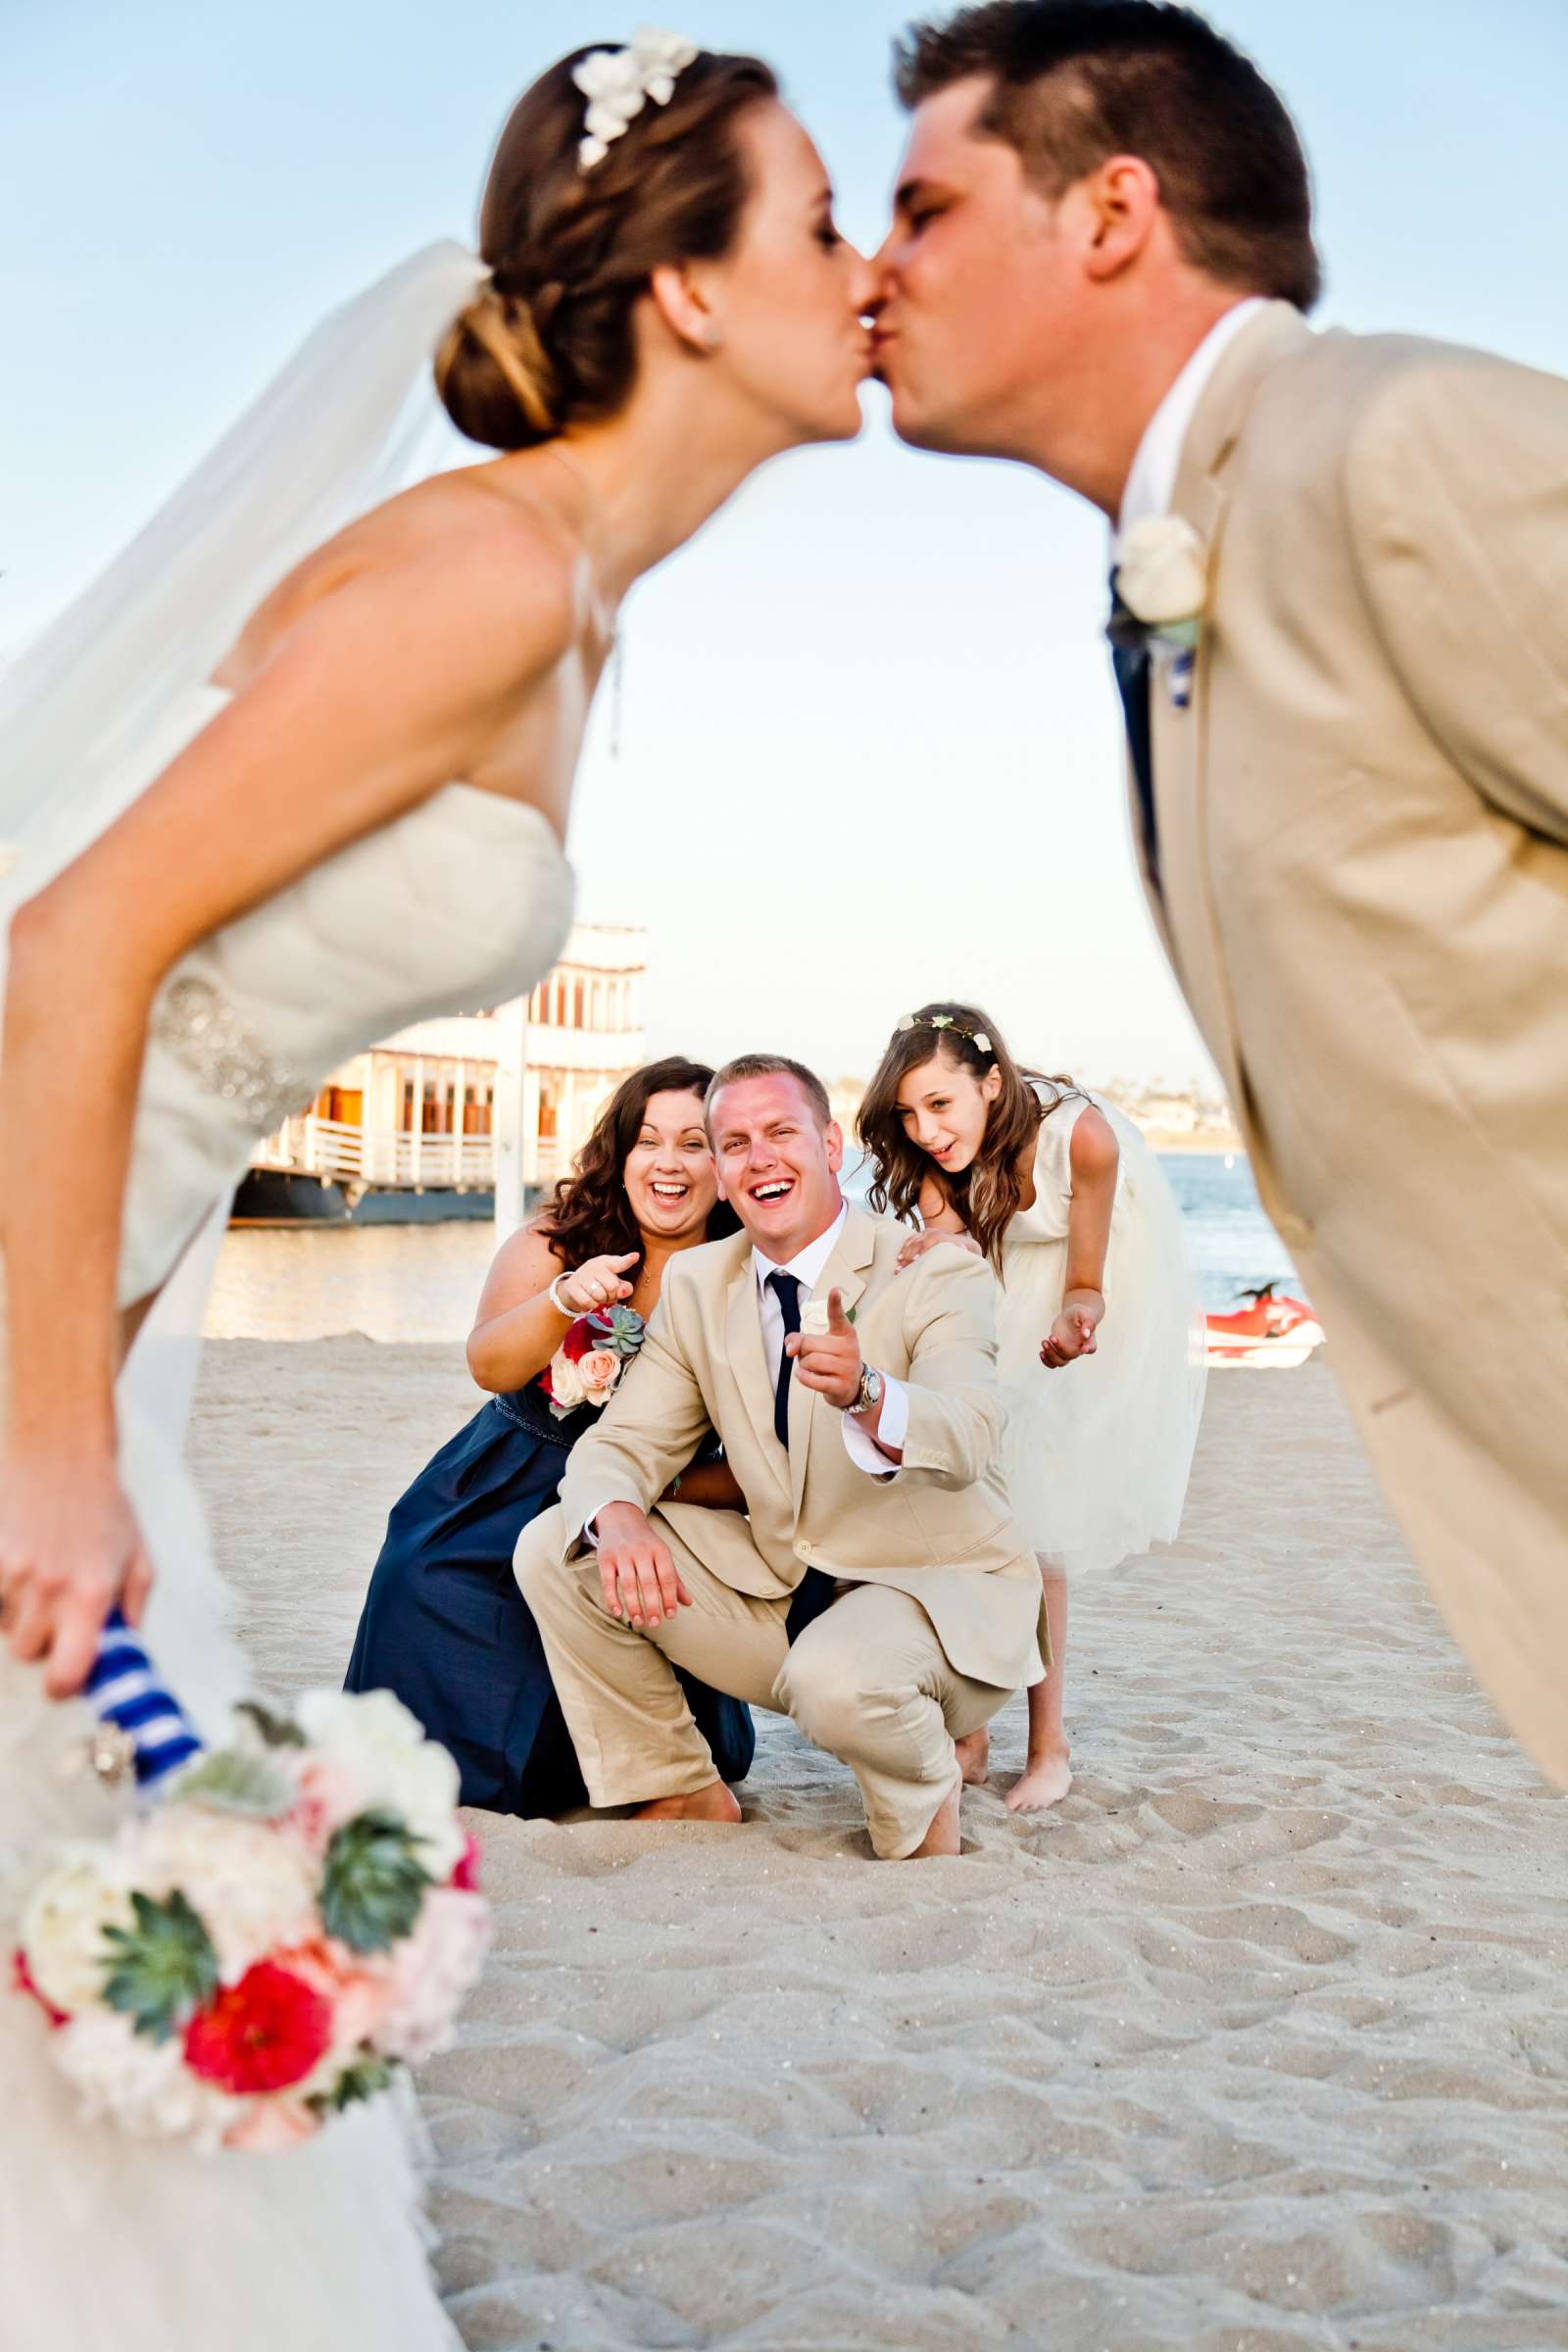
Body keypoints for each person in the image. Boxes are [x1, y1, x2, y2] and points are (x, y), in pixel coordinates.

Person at [0, 35, 875, 2348]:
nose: (866, 268)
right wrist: (61, 1445)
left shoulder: (572, 601)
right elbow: (65, 948)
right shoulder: (487, 572)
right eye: (815, 221)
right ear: (683, 287)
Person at [872, 0, 1568, 1787]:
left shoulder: (1398, 443)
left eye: (927, 210)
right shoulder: (1184, 557)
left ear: (1110, 215)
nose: (876, 275)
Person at [514, 1054, 1044, 1859]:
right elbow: (624, 1441)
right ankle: (682, 1784)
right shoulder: (700, 1281)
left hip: (935, 1599)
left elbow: (972, 1432)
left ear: (831, 1147)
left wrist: (869, 1392)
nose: (759, 1157)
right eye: (734, 1143)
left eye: (780, 1133)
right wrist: (616, 1516)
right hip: (782, 1592)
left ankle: (926, 1791)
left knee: (840, 1677)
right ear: (722, 1177)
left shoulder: (932, 1269)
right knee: (558, 1547)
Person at [345, 1057, 756, 1809]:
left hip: (653, 1494)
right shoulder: (554, 1239)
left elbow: (765, 1460)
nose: (669, 1163)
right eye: (649, 1141)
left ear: (727, 1162)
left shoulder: (749, 1280)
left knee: (608, 1597)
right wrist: (565, 1299)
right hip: (511, 1466)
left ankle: (630, 1772)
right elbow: (488, 1365)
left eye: (695, 1144)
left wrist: (647, 1488)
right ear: (622, 1154)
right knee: (422, 1573)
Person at [859, 1001, 1203, 1808]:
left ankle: (1049, 1746)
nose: (925, 1130)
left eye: (940, 1104)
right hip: (1002, 1280)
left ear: (992, 1079)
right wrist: (934, 1248)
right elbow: (966, 1248)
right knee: (965, 1502)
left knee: (1038, 1524)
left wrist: (1076, 1318)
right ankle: (971, 1732)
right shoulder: (936, 1153)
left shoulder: (1083, 1137)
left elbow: (1087, 1281)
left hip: (1084, 1294)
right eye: (907, 1113)